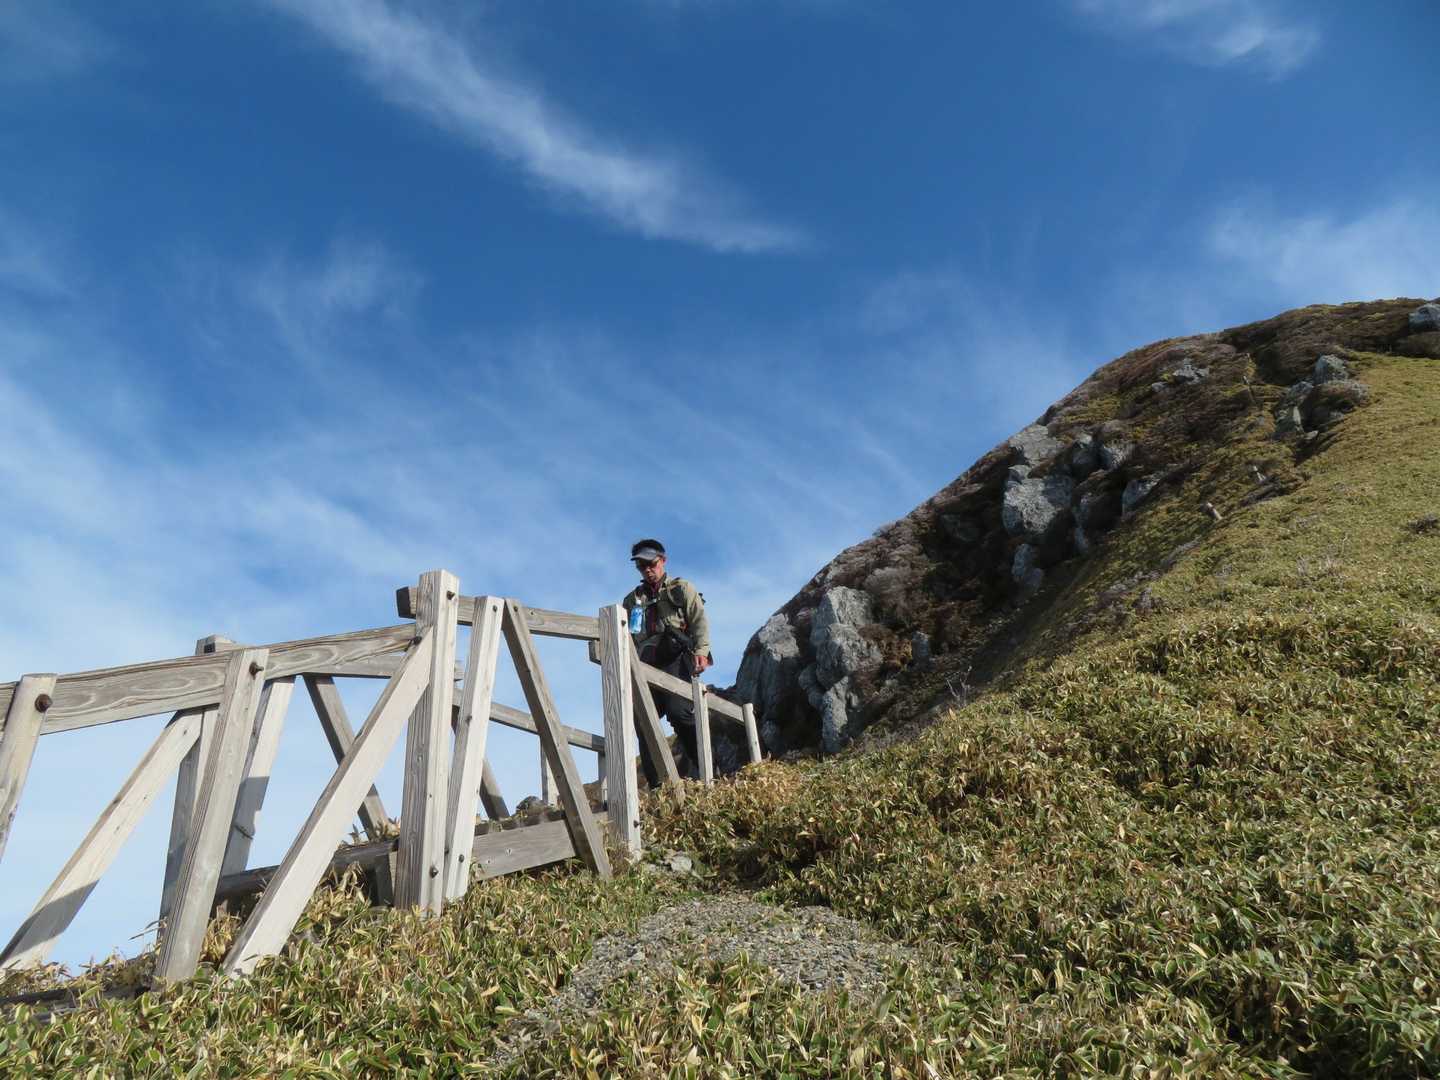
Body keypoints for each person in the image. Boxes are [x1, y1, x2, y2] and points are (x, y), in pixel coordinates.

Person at [622, 538, 712, 782]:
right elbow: (626, 634)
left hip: (676, 659)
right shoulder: (632, 600)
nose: (647, 570)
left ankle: (707, 771)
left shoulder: (681, 589)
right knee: (643, 722)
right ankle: (658, 787)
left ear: (663, 560)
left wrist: (702, 651)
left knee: (679, 713)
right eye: (641, 566)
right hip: (645, 664)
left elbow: (699, 620)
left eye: (650, 564)